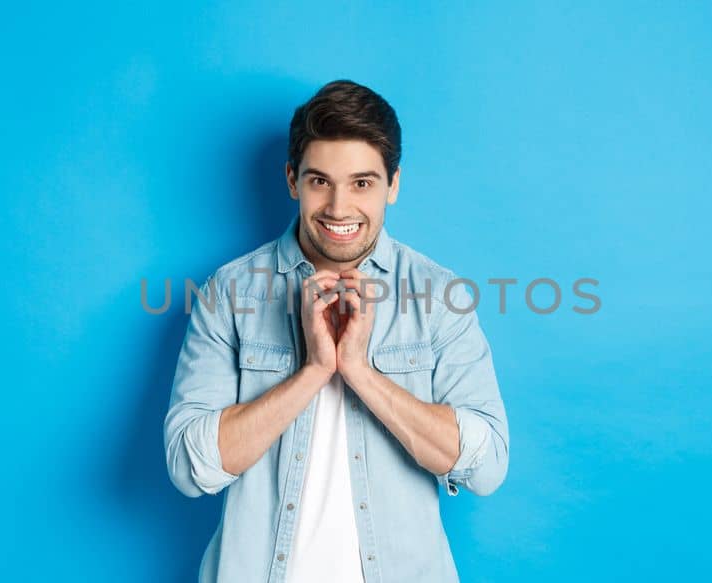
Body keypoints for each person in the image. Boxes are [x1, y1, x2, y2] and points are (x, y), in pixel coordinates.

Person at [164, 80, 510, 582]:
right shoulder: (230, 292)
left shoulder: (439, 296)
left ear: (393, 184)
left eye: (362, 183)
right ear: (292, 180)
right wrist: (314, 370)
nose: (339, 208)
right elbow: (188, 467)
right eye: (320, 181)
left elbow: (486, 466)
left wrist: (359, 371)